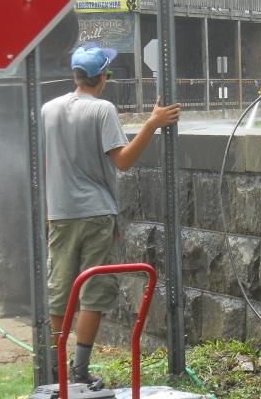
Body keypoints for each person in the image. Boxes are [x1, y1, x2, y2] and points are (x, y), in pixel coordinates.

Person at [42, 43, 181, 387]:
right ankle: (79, 370)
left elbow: (44, 164)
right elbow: (123, 160)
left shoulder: (48, 109)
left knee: (59, 290)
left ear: (76, 75)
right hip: (97, 213)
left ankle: (54, 369)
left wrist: (49, 208)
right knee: (94, 291)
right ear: (102, 76)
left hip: (60, 213)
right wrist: (152, 123)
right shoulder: (102, 109)